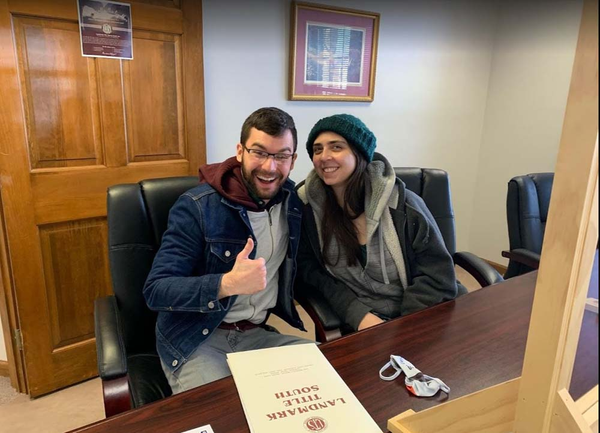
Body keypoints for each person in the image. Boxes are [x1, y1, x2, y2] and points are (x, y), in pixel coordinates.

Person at [144, 107, 313, 393]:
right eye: (259, 152)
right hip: (198, 339)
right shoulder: (198, 206)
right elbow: (156, 290)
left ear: (293, 160)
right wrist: (226, 284)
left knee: (330, 376)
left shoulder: (293, 204)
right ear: (240, 151)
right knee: (225, 417)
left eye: (281, 155)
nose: (270, 167)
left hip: (258, 335)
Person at [296, 114, 466, 332]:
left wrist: (403, 328)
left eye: (336, 147)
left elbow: (438, 276)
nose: (324, 157)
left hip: (425, 313)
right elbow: (312, 272)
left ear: (359, 154)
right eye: (317, 149)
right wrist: (357, 314)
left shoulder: (405, 206)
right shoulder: (307, 208)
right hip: (364, 319)